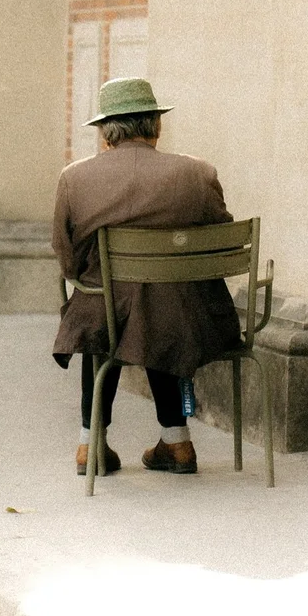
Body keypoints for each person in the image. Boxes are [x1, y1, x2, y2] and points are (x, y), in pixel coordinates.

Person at [52, 77, 241, 476]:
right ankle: (177, 443)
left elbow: (66, 259)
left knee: (110, 311)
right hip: (186, 315)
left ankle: (91, 445)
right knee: (156, 305)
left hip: (107, 313)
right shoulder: (198, 173)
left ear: (106, 132)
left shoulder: (75, 178)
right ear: (156, 124)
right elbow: (222, 248)